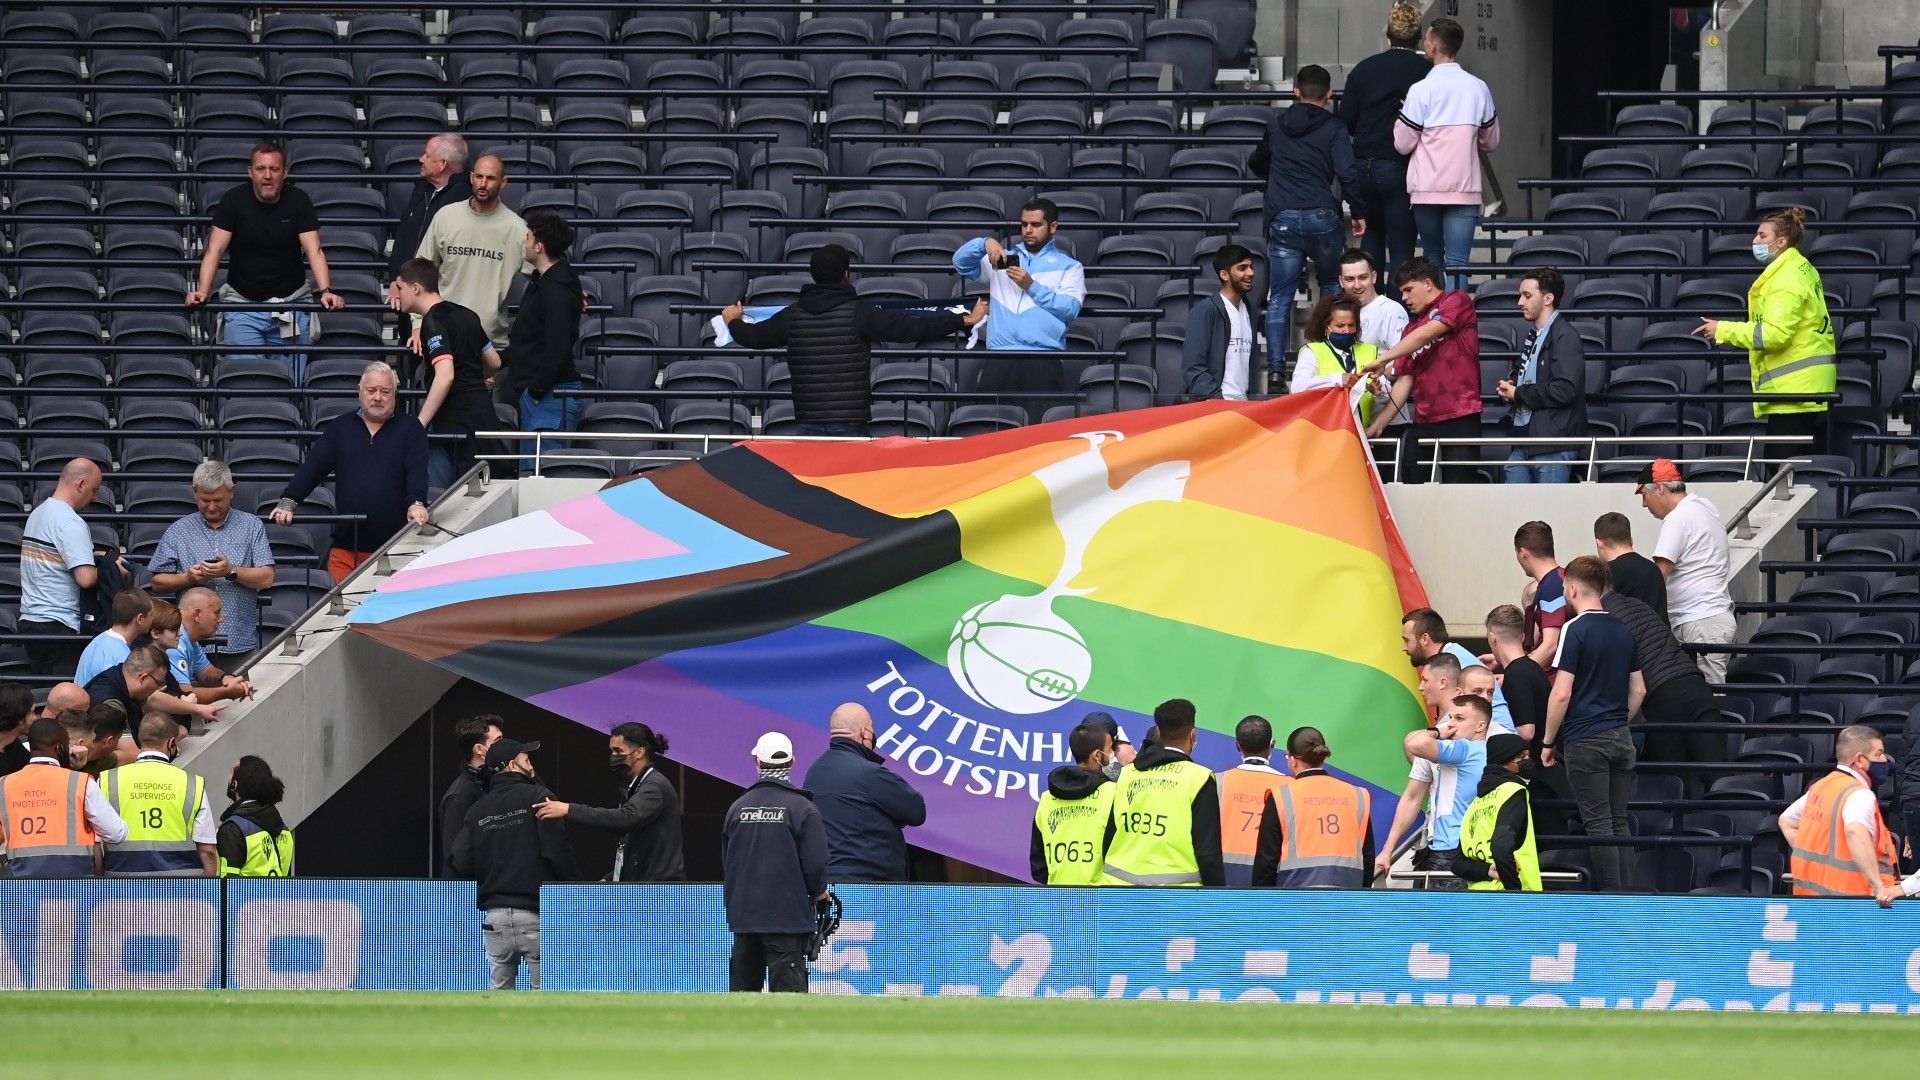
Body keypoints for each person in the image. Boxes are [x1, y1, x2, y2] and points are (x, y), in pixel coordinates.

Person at [726, 244, 985, 436]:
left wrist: (733, 320)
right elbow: (909, 328)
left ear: (813, 275)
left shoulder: (793, 315)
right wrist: (962, 320)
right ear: (847, 274)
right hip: (850, 424)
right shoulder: (859, 312)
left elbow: (755, 338)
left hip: (807, 422)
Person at [1248, 62, 1368, 385]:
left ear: (1296, 93)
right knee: (1330, 286)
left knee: (1280, 296)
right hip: (1322, 216)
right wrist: (1358, 212)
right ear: (1329, 95)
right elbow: (1348, 173)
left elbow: (1255, 162)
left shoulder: (1277, 125)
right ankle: (1326, 361)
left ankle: (1275, 371)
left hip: (1283, 218)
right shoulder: (1335, 128)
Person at [185, 141, 344, 384]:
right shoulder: (233, 201)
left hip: (290, 305)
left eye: (274, 169)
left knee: (289, 386)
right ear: (251, 172)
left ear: (285, 172)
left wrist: (326, 291)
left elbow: (315, 251)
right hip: (243, 308)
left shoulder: (299, 201)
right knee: (249, 383)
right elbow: (214, 250)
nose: (267, 176)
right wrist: (203, 291)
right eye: (261, 169)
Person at [1693, 207, 1836, 456]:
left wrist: (1722, 330)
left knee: (1781, 476)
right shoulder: (1800, 267)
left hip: (1795, 390)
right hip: (1804, 386)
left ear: (1781, 242)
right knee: (1795, 474)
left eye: (1762, 236)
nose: (1755, 241)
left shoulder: (1786, 280)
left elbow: (1775, 334)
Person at [274, 362, 431, 581]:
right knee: (341, 614)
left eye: (385, 392)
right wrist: (290, 499)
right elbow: (313, 467)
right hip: (346, 551)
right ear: (359, 392)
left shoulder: (411, 429)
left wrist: (416, 502)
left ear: (395, 395)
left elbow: (417, 470)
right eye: (371, 390)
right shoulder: (341, 427)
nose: (378, 397)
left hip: (397, 548)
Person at [1542, 555, 1645, 891]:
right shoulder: (1623, 629)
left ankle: (1613, 899)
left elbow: (1561, 693)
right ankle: (1629, 895)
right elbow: (1639, 689)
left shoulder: (1575, 629)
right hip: (1620, 737)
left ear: (1572, 588)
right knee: (1619, 821)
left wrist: (1547, 741)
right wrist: (1617, 721)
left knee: (1598, 823)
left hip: (1586, 739)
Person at [449, 738, 579, 990]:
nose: (532, 766)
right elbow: (557, 850)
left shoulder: (477, 809)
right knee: (545, 993)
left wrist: (494, 868)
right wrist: (575, 883)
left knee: (499, 991)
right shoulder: (539, 797)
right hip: (534, 913)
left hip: (494, 916)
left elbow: (460, 861)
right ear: (512, 765)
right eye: (527, 760)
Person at [952, 198, 1086, 423]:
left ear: (1053, 227)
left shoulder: (1070, 266)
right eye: (1024, 225)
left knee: (1040, 438)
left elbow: (1071, 309)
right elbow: (960, 263)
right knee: (991, 432)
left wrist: (1031, 286)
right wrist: (985, 243)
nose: (1028, 230)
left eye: (1036, 225)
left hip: (1043, 360)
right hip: (1000, 358)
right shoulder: (1001, 259)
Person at [1394, 17, 1500, 290]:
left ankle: (1435, 324)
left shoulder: (1420, 90)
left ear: (1431, 46)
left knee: (1433, 259)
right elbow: (1491, 140)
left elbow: (1403, 144)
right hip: (1463, 187)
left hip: (1427, 188)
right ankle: (1457, 325)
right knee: (1457, 263)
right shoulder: (1478, 88)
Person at [723, 732, 829, 993]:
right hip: (787, 918)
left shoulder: (737, 807)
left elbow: (728, 861)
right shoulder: (803, 809)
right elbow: (815, 865)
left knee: (743, 999)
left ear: (758, 763)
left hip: (744, 917)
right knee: (789, 1000)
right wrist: (819, 891)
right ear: (793, 762)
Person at [1362, 258, 1483, 483]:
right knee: (1412, 486)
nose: (1404, 298)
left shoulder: (1456, 300)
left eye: (1408, 290)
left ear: (1428, 283)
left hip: (1461, 415)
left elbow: (1427, 334)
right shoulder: (1411, 328)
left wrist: (1384, 358)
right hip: (1424, 420)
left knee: (1460, 489)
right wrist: (1377, 427)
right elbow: (1405, 381)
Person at [147, 460, 274, 670]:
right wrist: (188, 578)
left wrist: (231, 571)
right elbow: (157, 582)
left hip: (238, 640)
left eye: (218, 500)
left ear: (232, 492)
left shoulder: (251, 526)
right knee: (189, 699)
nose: (212, 506)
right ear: (194, 493)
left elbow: (267, 577)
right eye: (205, 500)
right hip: (188, 643)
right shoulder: (179, 529)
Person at [391, 258, 503, 491]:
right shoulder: (468, 315)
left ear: (415, 288)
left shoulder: (432, 321)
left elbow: (445, 375)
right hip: (484, 414)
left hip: (455, 422)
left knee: (451, 499)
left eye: (399, 288)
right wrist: (474, 378)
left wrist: (420, 423)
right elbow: (494, 361)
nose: (397, 294)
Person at [1338, 3, 1430, 276]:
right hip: (1400, 166)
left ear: (1388, 34)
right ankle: (1399, 315)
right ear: (1420, 36)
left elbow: (1345, 122)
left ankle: (1368, 313)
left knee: (1371, 241)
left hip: (1363, 164)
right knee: (1402, 250)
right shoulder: (1426, 72)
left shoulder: (1364, 69)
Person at [1603, 583, 1722, 792]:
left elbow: (1632, 685)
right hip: (1696, 685)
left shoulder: (1602, 620)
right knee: (1717, 777)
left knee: (1670, 785)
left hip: (1662, 698)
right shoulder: (1638, 605)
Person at [535, 721, 687, 882]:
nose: (613, 757)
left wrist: (569, 809)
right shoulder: (636, 787)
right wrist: (610, 879)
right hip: (644, 886)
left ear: (639, 752)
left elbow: (626, 818)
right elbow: (634, 850)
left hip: (659, 891)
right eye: (612, 751)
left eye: (618, 751)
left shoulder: (654, 786)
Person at [410, 153, 527, 353]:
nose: (483, 184)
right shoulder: (446, 217)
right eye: (479, 177)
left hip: (490, 344)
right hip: (443, 336)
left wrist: (570, 288)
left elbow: (543, 270)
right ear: (471, 177)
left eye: (491, 178)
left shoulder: (517, 228)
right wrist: (418, 323)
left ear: (504, 182)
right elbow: (421, 271)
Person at [1101, 698, 1225, 887]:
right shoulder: (1199, 778)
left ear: (1158, 732)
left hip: (1120, 890)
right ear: (1193, 734)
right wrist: (1218, 898)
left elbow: (1110, 836)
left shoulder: (1127, 775)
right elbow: (1207, 851)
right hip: (1175, 898)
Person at [802, 703, 927, 883]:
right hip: (869, 887)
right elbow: (917, 811)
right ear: (865, 733)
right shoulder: (869, 774)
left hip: (829, 884)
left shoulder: (814, 772)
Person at [1637, 459, 1735, 682]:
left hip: (1699, 621)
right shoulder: (1704, 507)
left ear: (1660, 488)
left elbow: (1658, 576)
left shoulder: (1677, 519)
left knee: (1709, 698)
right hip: (1710, 618)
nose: (1644, 504)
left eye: (1644, 495)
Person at [1377, 694, 1490, 884]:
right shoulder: (1453, 750)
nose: (1451, 725)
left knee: (1438, 914)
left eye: (1460, 719)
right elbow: (1411, 798)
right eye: (1451, 718)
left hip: (1454, 849)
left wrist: (1437, 731)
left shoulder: (1467, 748)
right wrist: (1387, 851)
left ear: (1480, 726)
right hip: (1444, 848)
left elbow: (1415, 743)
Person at [1781, 726, 1897, 902]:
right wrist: (1878, 886)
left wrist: (1814, 864)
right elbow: (1855, 832)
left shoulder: (1820, 786)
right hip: (1856, 904)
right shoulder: (1859, 794)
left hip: (1811, 901)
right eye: (1878, 754)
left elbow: (1786, 821)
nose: (1884, 760)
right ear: (1860, 760)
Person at [506, 211, 586, 464]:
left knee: (544, 477)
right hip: (543, 395)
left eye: (528, 237)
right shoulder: (545, 284)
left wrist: (534, 392)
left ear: (539, 246)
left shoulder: (555, 291)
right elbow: (531, 340)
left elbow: (557, 348)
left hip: (548, 397)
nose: (524, 243)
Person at [0, 718, 128, 877]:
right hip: (73, 886)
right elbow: (116, 833)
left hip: (22, 886)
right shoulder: (80, 782)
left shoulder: (4, 784)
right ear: (60, 748)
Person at [1250, 725, 1374, 888]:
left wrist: (1262, 903)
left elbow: (1266, 862)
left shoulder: (1281, 796)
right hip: (1347, 901)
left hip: (1295, 902)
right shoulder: (1357, 795)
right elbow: (1368, 857)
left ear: (1293, 760)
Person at [99, 713, 216, 877]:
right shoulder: (192, 783)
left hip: (123, 882)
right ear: (172, 743)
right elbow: (208, 850)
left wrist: (100, 881)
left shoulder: (108, 780)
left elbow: (95, 844)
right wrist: (207, 891)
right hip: (182, 885)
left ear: (139, 740)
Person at [20, 458, 108, 676]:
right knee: (66, 701)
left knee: (45, 697)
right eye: (94, 489)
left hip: (32, 621)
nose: (95, 497)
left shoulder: (38, 514)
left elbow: (55, 557)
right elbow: (86, 578)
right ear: (80, 485)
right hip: (60, 626)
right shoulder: (71, 522)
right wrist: (109, 567)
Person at [1498, 268, 1586, 483]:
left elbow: (1565, 390)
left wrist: (1519, 393)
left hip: (1552, 443)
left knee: (1549, 514)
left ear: (1548, 298)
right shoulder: (1536, 334)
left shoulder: (1565, 336)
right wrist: (1512, 386)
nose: (1520, 302)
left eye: (1527, 296)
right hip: (1529, 439)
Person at [1486, 604, 1568, 833]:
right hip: (1553, 773)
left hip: (1541, 779)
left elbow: (1526, 731)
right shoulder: (1530, 668)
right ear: (1522, 636)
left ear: (1492, 637)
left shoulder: (1517, 675)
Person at [1030, 722, 1118, 885]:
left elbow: (1039, 866)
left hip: (1057, 899)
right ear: (1097, 756)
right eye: (1110, 749)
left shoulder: (1046, 799)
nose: (1113, 753)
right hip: (1100, 901)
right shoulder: (1114, 793)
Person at [1451, 732, 1540, 891]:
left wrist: (1487, 871)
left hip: (1480, 898)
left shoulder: (1474, 804)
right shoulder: (1513, 791)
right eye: (1521, 757)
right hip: (1513, 900)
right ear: (1505, 761)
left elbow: (1458, 864)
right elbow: (1501, 846)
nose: (1527, 762)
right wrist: (1514, 891)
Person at [1401, 608, 1510, 733]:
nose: (1404, 648)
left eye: (1407, 640)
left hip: (1495, 739)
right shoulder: (1453, 657)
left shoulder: (1455, 662)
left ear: (1425, 639)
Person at [1215, 715, 1291, 886]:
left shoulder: (1217, 781)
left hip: (1225, 876)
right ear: (1272, 744)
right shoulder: (1291, 787)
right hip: (1275, 877)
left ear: (1237, 745)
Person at [1290, 294, 1386, 427]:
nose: (1347, 331)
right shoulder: (1311, 351)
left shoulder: (1370, 351)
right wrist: (1337, 380)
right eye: (1340, 326)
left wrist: (1379, 393)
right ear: (1326, 327)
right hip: (1324, 435)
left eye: (1351, 325)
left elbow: (1386, 396)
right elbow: (1298, 387)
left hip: (1360, 435)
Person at [386, 133, 472, 279]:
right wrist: (397, 279)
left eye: (427, 155)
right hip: (408, 283)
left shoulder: (462, 197)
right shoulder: (421, 189)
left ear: (442, 163)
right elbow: (403, 233)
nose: (421, 159)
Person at [1180, 243, 1259, 401]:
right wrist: (1217, 400)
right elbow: (1193, 367)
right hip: (1216, 409)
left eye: (1251, 267)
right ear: (1224, 275)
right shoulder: (1205, 310)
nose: (1251, 273)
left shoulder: (1249, 310)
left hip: (1243, 409)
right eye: (1242, 268)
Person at [86, 645, 222, 731]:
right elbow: (127, 750)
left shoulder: (121, 676)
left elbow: (153, 700)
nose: (161, 687)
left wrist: (197, 709)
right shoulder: (110, 704)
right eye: (159, 682)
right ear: (143, 678)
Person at [165, 589, 254, 706]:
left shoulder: (189, 638)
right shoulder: (174, 643)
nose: (221, 619)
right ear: (197, 614)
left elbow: (207, 673)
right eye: (216, 613)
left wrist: (226, 678)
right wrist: (226, 692)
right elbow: (184, 695)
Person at [439, 714, 502, 878]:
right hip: (468, 893)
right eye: (498, 742)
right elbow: (456, 859)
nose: (505, 746)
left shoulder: (493, 783)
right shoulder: (459, 795)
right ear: (480, 750)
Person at [217, 755, 294, 877]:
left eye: (231, 773)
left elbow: (227, 888)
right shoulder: (285, 831)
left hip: (243, 896)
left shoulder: (232, 830)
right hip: (277, 896)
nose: (228, 777)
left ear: (234, 784)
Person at [1514, 521, 1567, 676]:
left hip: (1555, 682)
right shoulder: (1561, 578)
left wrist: (1517, 674)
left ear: (1523, 553)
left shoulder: (1552, 587)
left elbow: (1551, 645)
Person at [1595, 511, 1668, 621]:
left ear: (1599, 543)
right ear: (1631, 540)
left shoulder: (1606, 574)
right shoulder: (1653, 569)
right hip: (1659, 636)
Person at [74, 588, 153, 687]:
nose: (153, 619)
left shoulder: (97, 641)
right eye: (151, 615)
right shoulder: (121, 657)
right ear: (140, 618)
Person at [62, 704, 135, 778]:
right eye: (118, 739)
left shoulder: (104, 760)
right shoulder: (60, 761)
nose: (117, 744)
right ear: (110, 741)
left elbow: (128, 757)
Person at [0, 684, 34, 778]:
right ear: (20, 719)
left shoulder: (13, 744)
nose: (35, 717)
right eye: (32, 712)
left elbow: (32, 769)